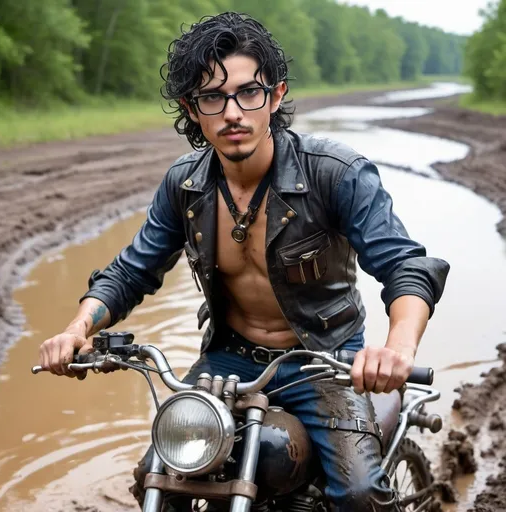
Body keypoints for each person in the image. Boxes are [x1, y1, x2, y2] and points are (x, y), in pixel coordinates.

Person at [38, 12, 449, 511]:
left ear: (274, 97)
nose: (233, 112)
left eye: (248, 93)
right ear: (193, 110)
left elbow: (405, 266)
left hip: (322, 360)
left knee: (360, 494)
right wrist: (78, 328)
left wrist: (396, 348)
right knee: (158, 475)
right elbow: (132, 271)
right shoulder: (184, 185)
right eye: (213, 97)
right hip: (227, 359)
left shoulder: (335, 175)